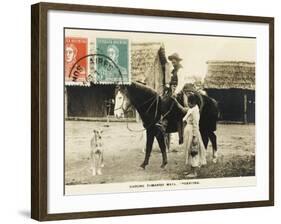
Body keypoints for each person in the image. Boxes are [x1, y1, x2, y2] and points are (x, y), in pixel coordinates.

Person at [182, 94, 207, 178]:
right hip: (189, 132)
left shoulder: (195, 111)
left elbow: (196, 125)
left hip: (192, 133)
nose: (188, 104)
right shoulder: (192, 109)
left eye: (188, 102)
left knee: (194, 151)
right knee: (190, 151)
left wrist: (195, 137)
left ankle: (194, 172)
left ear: (192, 102)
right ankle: (191, 170)